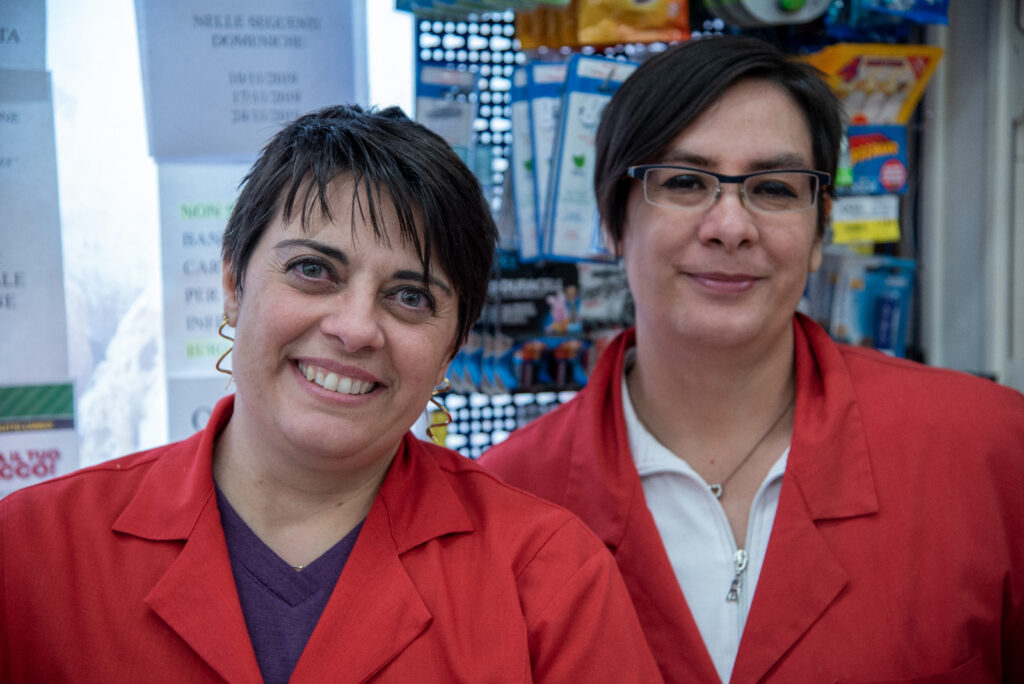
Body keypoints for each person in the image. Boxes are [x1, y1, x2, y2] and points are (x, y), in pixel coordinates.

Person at [0, 105, 662, 682]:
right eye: (313, 270)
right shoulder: (32, 555)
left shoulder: (547, 580)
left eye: (410, 296)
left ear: (451, 347)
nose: (354, 329)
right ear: (233, 283)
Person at [480, 36, 1024, 683]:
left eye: (772, 188)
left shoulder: (988, 450)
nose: (730, 225)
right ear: (612, 223)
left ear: (821, 231)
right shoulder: (507, 500)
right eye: (684, 182)